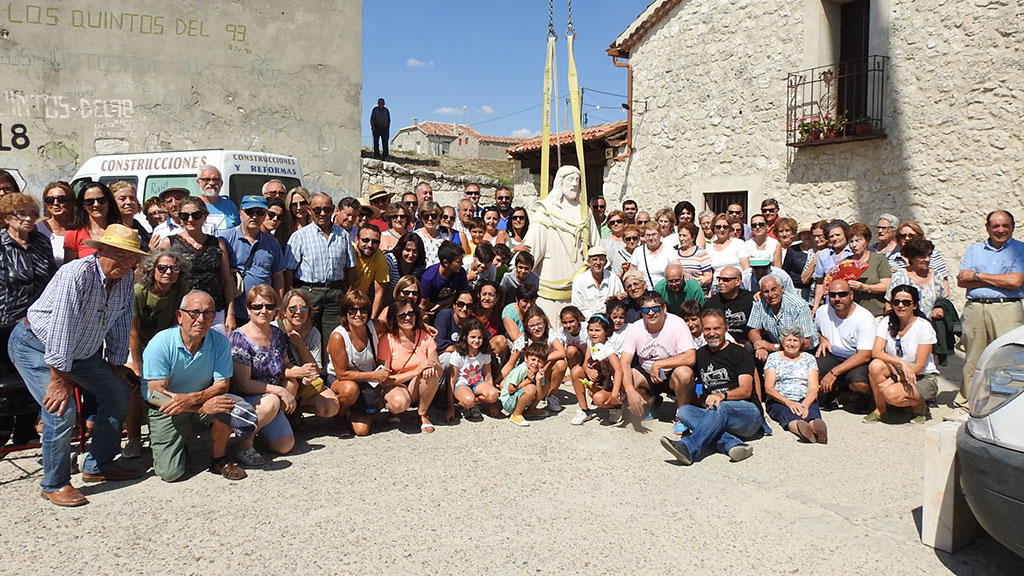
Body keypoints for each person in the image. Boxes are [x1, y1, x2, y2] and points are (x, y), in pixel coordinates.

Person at [8, 224, 147, 506]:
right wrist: (59, 380)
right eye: (118, 254)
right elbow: (62, 327)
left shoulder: (125, 279)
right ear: (101, 250)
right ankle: (54, 483)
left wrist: (116, 363)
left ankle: (99, 465)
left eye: (130, 256)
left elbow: (120, 321)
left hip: (82, 353)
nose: (124, 261)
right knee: (61, 408)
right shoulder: (75, 274)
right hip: (35, 345)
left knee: (118, 391)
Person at [143, 290, 257, 482]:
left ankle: (219, 458)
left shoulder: (219, 341)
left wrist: (192, 401)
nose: (201, 319)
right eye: (194, 312)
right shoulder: (160, 343)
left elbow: (222, 384)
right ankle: (173, 444)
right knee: (170, 474)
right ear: (180, 316)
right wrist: (198, 406)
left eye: (208, 313)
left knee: (226, 405)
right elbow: (156, 395)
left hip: (199, 400)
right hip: (166, 407)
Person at [660, 308, 760, 465]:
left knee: (721, 406)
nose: (711, 333)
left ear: (726, 328)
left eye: (716, 328)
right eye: (707, 329)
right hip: (716, 414)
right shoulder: (700, 354)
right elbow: (684, 378)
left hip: (747, 415)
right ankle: (732, 444)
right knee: (685, 411)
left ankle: (689, 447)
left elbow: (746, 390)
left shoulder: (739, 353)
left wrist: (722, 395)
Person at [0, 193, 57, 447]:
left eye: (32, 213)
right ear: (6, 218)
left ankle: (26, 432)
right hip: (4, 323)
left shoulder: (41, 242)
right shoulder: (1, 245)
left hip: (38, 324)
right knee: (6, 385)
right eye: (21, 214)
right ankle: (3, 435)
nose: (28, 219)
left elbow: (51, 279)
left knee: (32, 380)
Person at [127, 248, 192, 457]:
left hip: (164, 343)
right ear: (152, 269)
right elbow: (133, 332)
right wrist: (138, 365)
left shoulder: (181, 290)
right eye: (162, 268)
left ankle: (173, 426)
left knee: (171, 381)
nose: (168, 272)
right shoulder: (138, 291)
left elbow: (177, 326)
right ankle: (134, 439)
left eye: (174, 268)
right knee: (135, 388)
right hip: (136, 344)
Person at [957, 210, 1024, 400]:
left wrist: (977, 276)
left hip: (1007, 309)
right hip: (975, 308)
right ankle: (968, 402)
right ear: (987, 228)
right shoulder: (974, 250)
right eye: (995, 226)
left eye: (1005, 226)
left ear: (1012, 227)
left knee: (1007, 358)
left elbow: (1015, 282)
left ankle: (1005, 403)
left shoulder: (1021, 250)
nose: (1000, 230)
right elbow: (962, 281)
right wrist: (999, 280)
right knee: (972, 359)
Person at [229, 285, 298, 466]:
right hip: (246, 399)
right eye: (257, 306)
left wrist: (299, 375)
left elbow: (285, 364)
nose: (264, 311)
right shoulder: (239, 338)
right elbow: (243, 384)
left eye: (269, 306)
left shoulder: (277, 334)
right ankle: (242, 445)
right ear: (248, 309)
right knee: (272, 401)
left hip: (269, 396)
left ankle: (256, 429)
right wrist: (280, 391)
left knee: (285, 445)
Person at [284, 192, 355, 364]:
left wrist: (349, 292)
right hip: (308, 292)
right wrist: (291, 295)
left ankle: (330, 376)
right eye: (317, 209)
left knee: (334, 337)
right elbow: (288, 270)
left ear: (333, 210)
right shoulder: (299, 236)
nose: (322, 213)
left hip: (335, 292)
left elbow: (350, 267)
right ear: (309, 210)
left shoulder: (343, 235)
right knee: (306, 334)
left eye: (326, 209)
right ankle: (308, 375)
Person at [864, 285, 939, 424]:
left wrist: (893, 379)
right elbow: (876, 352)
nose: (900, 306)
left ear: (915, 305)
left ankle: (918, 405)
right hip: (899, 369)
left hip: (921, 375)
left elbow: (919, 365)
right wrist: (900, 363)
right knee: (875, 366)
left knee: (890, 394)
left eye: (906, 302)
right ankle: (880, 410)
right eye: (896, 302)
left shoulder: (924, 327)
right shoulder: (886, 321)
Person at [522, 165, 599, 300]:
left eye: (577, 180)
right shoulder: (546, 209)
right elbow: (534, 244)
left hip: (578, 275)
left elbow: (596, 245)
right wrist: (520, 270)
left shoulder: (584, 211)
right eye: (570, 179)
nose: (574, 184)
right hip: (551, 276)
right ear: (560, 182)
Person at [160, 197, 236, 333]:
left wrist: (230, 314)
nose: (190, 220)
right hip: (183, 311)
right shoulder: (169, 243)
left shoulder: (218, 243)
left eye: (196, 215)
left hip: (215, 311)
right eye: (184, 215)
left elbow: (226, 280)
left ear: (205, 215)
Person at [619, 291, 696, 420]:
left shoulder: (677, 323)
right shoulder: (634, 328)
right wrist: (630, 391)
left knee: (685, 373)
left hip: (671, 374)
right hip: (646, 373)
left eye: (655, 308)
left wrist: (659, 364)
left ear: (664, 308)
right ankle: (650, 402)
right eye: (646, 309)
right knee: (625, 377)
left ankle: (682, 415)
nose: (651, 313)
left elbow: (690, 357)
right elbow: (624, 362)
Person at [326, 290, 388, 437]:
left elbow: (397, 326)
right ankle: (340, 416)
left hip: (367, 381)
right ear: (345, 313)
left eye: (363, 309)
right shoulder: (338, 336)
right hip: (340, 380)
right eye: (353, 310)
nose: (358, 314)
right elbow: (342, 374)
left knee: (361, 431)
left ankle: (357, 408)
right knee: (350, 389)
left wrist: (423, 328)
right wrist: (374, 375)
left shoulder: (375, 326)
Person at [220, 195, 286, 326]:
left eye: (260, 213)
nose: (254, 216)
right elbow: (223, 278)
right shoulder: (225, 239)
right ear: (240, 213)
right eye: (250, 212)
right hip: (235, 312)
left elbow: (278, 278)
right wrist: (230, 313)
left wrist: (278, 309)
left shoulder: (272, 243)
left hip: (263, 312)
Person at [378, 300, 442, 433]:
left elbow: (439, 369)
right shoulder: (387, 339)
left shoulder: (425, 336)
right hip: (394, 385)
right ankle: (395, 411)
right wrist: (416, 371)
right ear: (394, 319)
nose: (408, 318)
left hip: (418, 386)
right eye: (402, 315)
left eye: (411, 313)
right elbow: (383, 381)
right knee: (398, 403)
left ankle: (423, 413)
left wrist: (430, 366)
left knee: (432, 370)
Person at [814, 279, 875, 409]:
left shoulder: (864, 318)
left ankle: (874, 398)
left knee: (859, 384)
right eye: (832, 295)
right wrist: (822, 339)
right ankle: (834, 391)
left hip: (856, 358)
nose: (837, 298)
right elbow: (815, 330)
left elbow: (865, 355)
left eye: (842, 294)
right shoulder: (822, 311)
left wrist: (833, 373)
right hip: (833, 354)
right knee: (812, 371)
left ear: (851, 295)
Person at [763, 325, 827, 443]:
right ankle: (802, 429)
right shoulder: (774, 358)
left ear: (801, 343)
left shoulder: (809, 358)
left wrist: (805, 405)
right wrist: (789, 402)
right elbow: (769, 387)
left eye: (795, 340)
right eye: (789, 340)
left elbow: (813, 387)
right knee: (789, 414)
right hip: (780, 399)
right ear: (782, 342)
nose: (792, 344)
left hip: (804, 397)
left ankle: (816, 427)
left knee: (811, 413)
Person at [747, 274, 818, 361]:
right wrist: (760, 346)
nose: (770, 294)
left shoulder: (798, 306)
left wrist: (772, 347)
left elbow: (806, 343)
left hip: (802, 350)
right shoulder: (759, 303)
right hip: (777, 348)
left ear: (782, 289)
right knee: (749, 347)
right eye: (766, 291)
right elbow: (753, 331)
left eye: (774, 289)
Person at [446, 317, 499, 422]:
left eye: (480, 337)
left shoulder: (484, 353)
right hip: (461, 384)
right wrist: (450, 407)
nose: (476, 341)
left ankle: (473, 403)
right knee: (468, 400)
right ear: (466, 337)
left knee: (494, 394)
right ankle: (465, 404)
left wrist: (492, 404)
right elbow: (451, 381)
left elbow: (488, 377)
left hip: (477, 382)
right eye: (473, 337)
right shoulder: (458, 354)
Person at [577, 314, 624, 424]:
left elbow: (618, 370)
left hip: (612, 385)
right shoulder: (590, 342)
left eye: (597, 330)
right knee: (576, 371)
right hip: (601, 381)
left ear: (606, 331)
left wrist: (614, 394)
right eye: (590, 330)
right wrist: (588, 370)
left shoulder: (608, 348)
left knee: (598, 398)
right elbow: (585, 363)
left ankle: (616, 406)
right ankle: (584, 409)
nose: (593, 333)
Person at [887, 238, 947, 318]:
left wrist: (940, 309)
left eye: (929, 255)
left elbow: (945, 302)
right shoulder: (899, 277)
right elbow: (889, 305)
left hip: (931, 326)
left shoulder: (937, 277)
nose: (927, 259)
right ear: (911, 258)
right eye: (922, 256)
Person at [844, 222, 892, 317]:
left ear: (867, 241)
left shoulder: (878, 259)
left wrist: (865, 287)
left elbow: (886, 285)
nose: (854, 245)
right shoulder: (845, 263)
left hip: (876, 314)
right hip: (852, 315)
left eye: (858, 240)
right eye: (851, 241)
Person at [64, 181, 118, 260]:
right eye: (89, 202)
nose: (96, 204)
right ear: (83, 205)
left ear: (109, 202)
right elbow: (69, 269)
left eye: (101, 200)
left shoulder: (124, 232)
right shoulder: (73, 235)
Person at [500, 342, 548, 427]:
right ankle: (516, 414)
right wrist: (528, 381)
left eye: (540, 361)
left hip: (520, 397)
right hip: (508, 401)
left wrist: (538, 381)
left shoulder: (539, 372)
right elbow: (510, 389)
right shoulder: (522, 369)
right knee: (531, 388)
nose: (536, 363)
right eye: (533, 359)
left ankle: (531, 410)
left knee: (546, 384)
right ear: (526, 358)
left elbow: (540, 396)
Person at [811, 220, 853, 316]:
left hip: (851, 301)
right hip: (831, 302)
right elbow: (820, 283)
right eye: (831, 236)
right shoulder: (823, 255)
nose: (835, 238)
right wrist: (815, 306)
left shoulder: (853, 253)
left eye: (838, 235)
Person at [571, 246, 624, 319]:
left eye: (601, 259)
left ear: (605, 262)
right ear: (588, 262)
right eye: (594, 260)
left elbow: (620, 302)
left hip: (611, 321)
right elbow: (578, 307)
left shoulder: (613, 278)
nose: (598, 263)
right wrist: (596, 318)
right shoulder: (579, 281)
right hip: (588, 323)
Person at [704, 266, 754, 345]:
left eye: (725, 280)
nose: (720, 283)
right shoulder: (711, 303)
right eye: (719, 279)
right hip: (720, 344)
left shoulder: (751, 299)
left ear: (737, 281)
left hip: (746, 344)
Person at [350, 224, 389, 318]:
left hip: (360, 302)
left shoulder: (380, 258)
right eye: (365, 240)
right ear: (356, 239)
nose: (370, 245)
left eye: (375, 242)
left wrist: (372, 319)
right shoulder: (349, 250)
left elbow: (379, 293)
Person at [420, 241, 468, 314]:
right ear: (446, 263)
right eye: (459, 261)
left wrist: (440, 304)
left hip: (450, 306)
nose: (462, 264)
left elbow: (460, 295)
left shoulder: (460, 273)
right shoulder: (428, 278)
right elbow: (423, 305)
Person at [37, 181, 77, 266]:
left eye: (62, 199)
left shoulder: (80, 229)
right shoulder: (37, 229)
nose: (55, 203)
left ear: (72, 202)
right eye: (50, 200)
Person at [630, 222, 676, 289]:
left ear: (660, 235)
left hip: (664, 291)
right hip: (645, 293)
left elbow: (676, 265)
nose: (651, 238)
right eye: (648, 235)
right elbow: (632, 273)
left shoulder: (668, 249)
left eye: (654, 234)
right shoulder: (638, 251)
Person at [775, 217, 811, 302]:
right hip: (795, 290)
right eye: (781, 231)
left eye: (787, 231)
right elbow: (785, 272)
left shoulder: (817, 251)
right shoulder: (793, 250)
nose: (784, 234)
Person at [706, 213, 749, 282]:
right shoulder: (709, 248)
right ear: (713, 228)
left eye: (725, 227)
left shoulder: (739, 243)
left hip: (737, 285)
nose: (722, 229)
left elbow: (746, 268)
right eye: (718, 227)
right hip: (718, 285)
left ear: (729, 229)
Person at [195, 166, 239, 232]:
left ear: (221, 183)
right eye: (207, 179)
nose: (211, 183)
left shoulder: (230, 205)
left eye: (215, 180)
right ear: (198, 182)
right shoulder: (192, 205)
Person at [672, 222, 713, 292]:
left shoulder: (701, 253)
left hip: (698, 291)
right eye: (680, 235)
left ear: (693, 237)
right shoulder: (674, 253)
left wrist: (696, 285)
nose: (681, 238)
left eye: (684, 236)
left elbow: (708, 276)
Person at [110, 181, 150, 249]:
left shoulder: (138, 226)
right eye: (122, 199)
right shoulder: (112, 228)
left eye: (132, 198)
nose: (129, 202)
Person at [385, 232, 426, 297]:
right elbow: (381, 290)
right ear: (400, 249)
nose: (411, 255)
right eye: (407, 250)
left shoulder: (420, 265)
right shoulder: (390, 261)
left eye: (414, 251)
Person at [415, 201, 449, 266]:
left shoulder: (445, 236)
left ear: (439, 217)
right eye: (426, 216)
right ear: (421, 218)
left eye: (434, 216)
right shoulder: (416, 236)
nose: (430, 219)